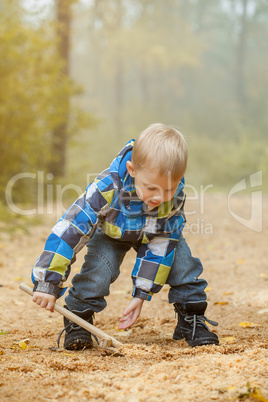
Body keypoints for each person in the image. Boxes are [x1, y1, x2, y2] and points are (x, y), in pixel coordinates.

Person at [32, 123, 219, 349]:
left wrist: (140, 294)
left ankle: (191, 318)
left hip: (154, 234)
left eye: (167, 189)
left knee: (182, 262)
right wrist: (48, 282)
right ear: (131, 170)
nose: (159, 197)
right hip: (112, 233)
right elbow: (71, 229)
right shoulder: (105, 188)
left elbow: (161, 244)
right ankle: (78, 318)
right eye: (150, 188)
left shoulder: (173, 197)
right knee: (100, 269)